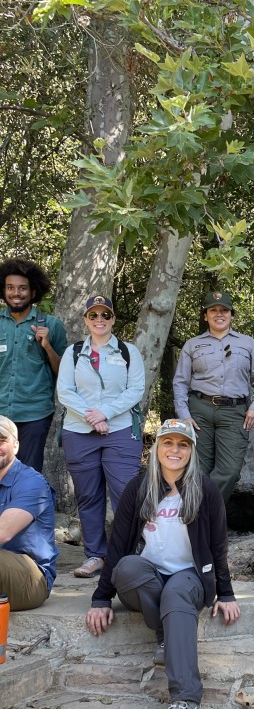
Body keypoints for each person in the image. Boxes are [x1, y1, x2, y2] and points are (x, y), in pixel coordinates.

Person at [85, 418, 240, 709]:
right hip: (147, 577)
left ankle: (186, 699)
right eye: (168, 442)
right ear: (157, 448)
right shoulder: (139, 487)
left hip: (190, 576)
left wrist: (226, 593)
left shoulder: (205, 489)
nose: (174, 449)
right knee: (126, 567)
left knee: (177, 592)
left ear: (191, 451)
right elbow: (117, 546)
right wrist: (101, 598)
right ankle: (167, 631)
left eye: (182, 444)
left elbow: (217, 545)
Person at [57, 296, 145, 579]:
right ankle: (95, 556)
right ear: (85, 320)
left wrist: (104, 413)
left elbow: (135, 390)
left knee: (126, 494)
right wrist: (91, 417)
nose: (99, 320)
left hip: (120, 431)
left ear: (113, 319)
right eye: (93, 315)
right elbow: (65, 392)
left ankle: (125, 557)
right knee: (88, 496)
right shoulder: (73, 352)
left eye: (104, 315)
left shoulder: (128, 351)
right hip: (79, 431)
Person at [173, 291, 254, 504]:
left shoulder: (247, 343)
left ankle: (205, 515)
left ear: (231, 315)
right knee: (197, 470)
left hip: (235, 412)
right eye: (213, 310)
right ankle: (199, 526)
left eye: (224, 310)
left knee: (230, 470)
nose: (219, 314)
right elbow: (180, 382)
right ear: (205, 315)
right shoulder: (192, 344)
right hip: (199, 411)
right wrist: (184, 415)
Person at [0, 258, 67, 471]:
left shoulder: (51, 325)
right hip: (0, 411)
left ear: (33, 292)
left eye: (22, 288)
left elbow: (64, 373)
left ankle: (23, 506)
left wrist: (47, 346)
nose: (16, 293)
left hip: (34, 414)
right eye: (10, 288)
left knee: (27, 472)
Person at [0, 416, 58, 610]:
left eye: (1, 440)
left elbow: (3, 533)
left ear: (16, 445)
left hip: (31, 579)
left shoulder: (31, 482)